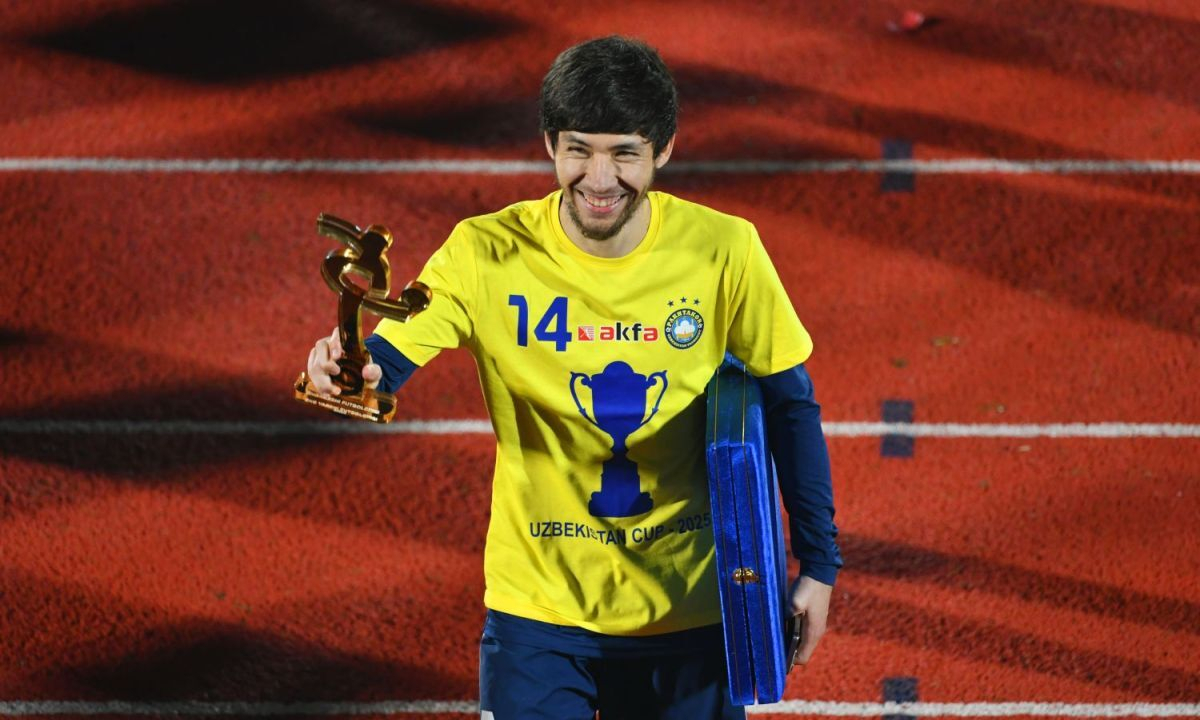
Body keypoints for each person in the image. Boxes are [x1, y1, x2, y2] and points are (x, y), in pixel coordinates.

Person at [305, 35, 842, 720]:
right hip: (538, 611)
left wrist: (819, 565)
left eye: (625, 153)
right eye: (579, 150)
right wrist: (347, 370)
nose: (599, 178)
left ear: (663, 150)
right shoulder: (485, 253)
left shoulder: (724, 251)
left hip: (689, 610)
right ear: (549, 145)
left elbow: (792, 405)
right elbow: (388, 364)